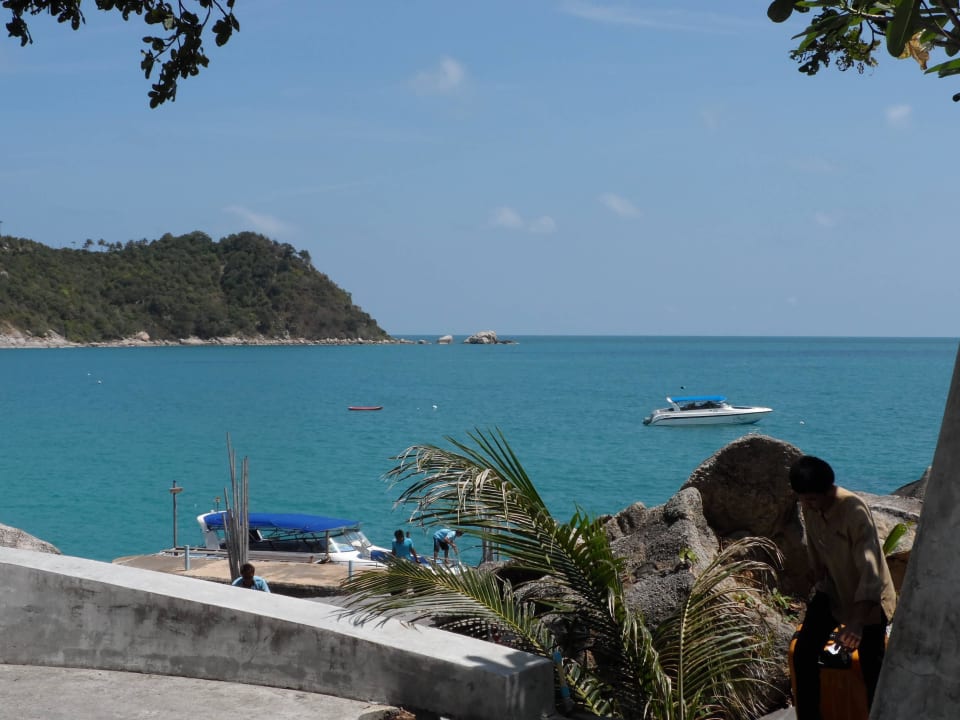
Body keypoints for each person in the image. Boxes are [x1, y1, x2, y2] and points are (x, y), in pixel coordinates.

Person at [789, 455, 897, 720]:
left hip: (869, 601)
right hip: (833, 591)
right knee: (803, 653)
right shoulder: (810, 506)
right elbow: (817, 552)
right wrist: (811, 576)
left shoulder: (854, 511)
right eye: (802, 499)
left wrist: (856, 623)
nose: (806, 505)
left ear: (828, 490)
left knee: (872, 670)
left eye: (811, 499)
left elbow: (870, 572)